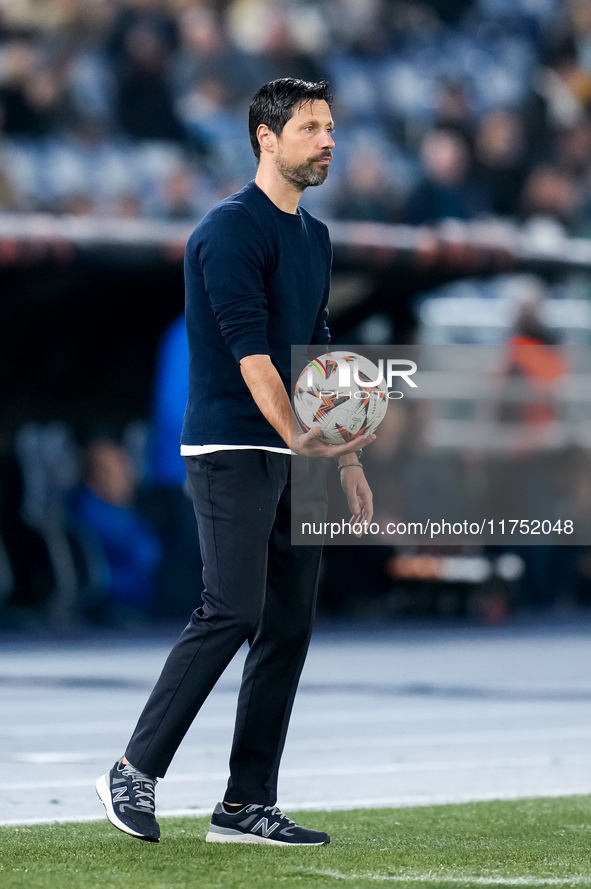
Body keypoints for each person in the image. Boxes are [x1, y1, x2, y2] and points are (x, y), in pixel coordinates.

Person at [96, 77, 374, 847]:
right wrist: (303, 440)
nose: (328, 141)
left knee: (288, 622)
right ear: (265, 137)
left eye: (330, 128)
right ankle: (131, 770)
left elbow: (313, 354)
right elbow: (254, 360)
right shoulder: (226, 230)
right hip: (229, 445)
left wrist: (343, 455)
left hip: (292, 447)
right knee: (232, 608)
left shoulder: (314, 238)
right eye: (313, 128)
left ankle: (245, 802)